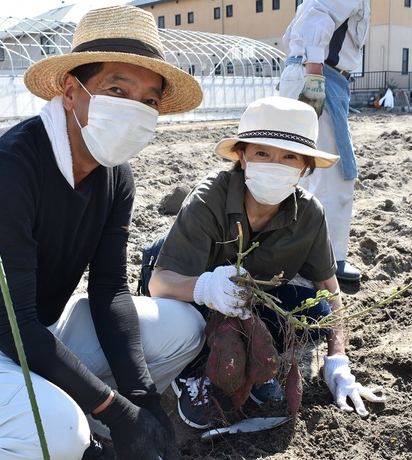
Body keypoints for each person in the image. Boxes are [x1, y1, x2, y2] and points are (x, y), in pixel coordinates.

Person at [0, 6, 205, 460]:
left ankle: (71, 421)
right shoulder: (4, 168)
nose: (134, 109)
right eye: (116, 89)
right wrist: (117, 411)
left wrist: (141, 397)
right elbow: (13, 327)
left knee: (185, 326)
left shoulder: (114, 176)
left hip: (42, 332)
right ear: (70, 90)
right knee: (58, 436)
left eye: (148, 101)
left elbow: (108, 290)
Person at [148, 97, 385, 430]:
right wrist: (206, 287)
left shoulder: (310, 215)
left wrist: (337, 359)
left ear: (305, 168)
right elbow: (159, 283)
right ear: (243, 157)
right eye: (262, 153)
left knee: (315, 317)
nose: (275, 164)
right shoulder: (210, 199)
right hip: (185, 288)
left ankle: (252, 360)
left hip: (250, 298)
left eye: (289, 157)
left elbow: (329, 288)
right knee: (185, 320)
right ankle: (191, 373)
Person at [278, 0, 370, 282]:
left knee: (297, 167)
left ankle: (292, 250)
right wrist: (315, 70)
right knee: (336, 173)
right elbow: (319, 17)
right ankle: (329, 259)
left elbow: (293, 32)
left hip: (301, 71)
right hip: (321, 74)